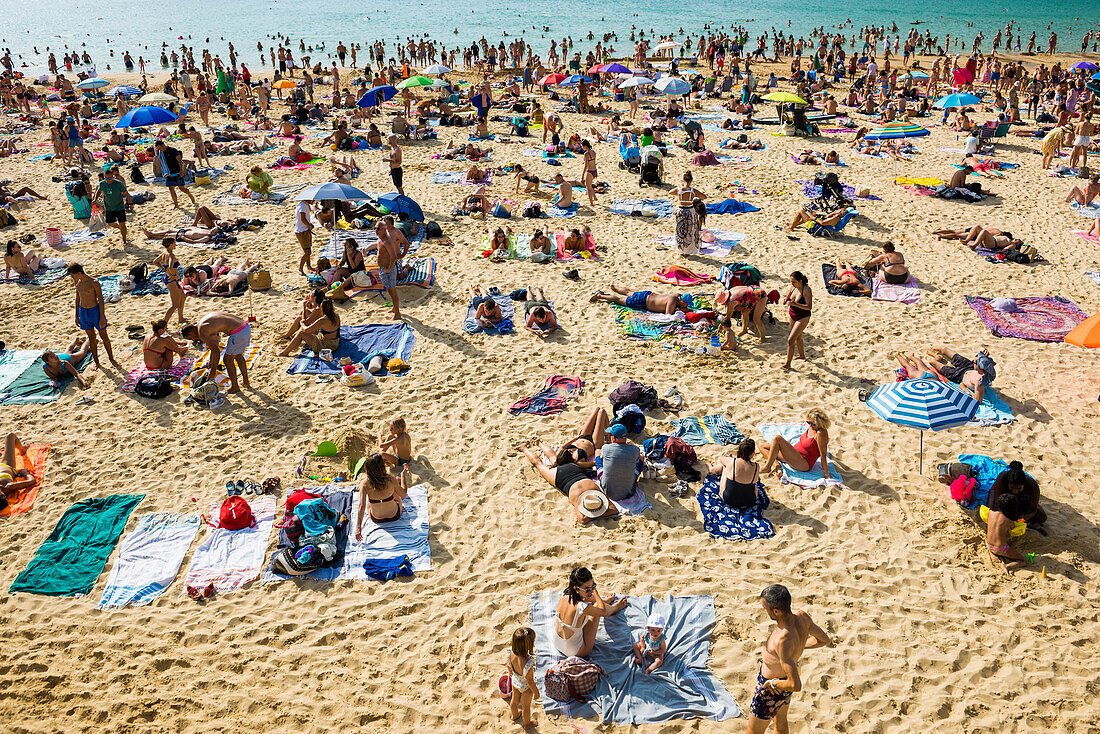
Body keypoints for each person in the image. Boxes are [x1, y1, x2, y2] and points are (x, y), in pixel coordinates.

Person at [747, 584, 833, 734]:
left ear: (776, 611)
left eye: (764, 607)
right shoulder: (803, 617)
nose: (763, 609)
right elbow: (825, 640)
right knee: (780, 723)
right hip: (783, 686)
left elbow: (795, 684)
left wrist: (772, 684)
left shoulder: (782, 639)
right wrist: (799, 646)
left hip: (772, 689)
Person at [550, 567, 627, 657]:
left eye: (592, 586)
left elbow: (587, 597)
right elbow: (603, 612)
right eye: (587, 589)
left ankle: (605, 601)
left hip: (557, 642)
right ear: (576, 588)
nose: (590, 591)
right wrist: (595, 591)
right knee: (598, 605)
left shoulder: (565, 594)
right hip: (576, 651)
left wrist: (591, 592)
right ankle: (615, 608)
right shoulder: (582, 607)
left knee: (589, 599)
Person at [181, 312, 251, 393]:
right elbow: (215, 343)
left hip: (239, 333)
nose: (193, 340)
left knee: (227, 361)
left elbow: (216, 352)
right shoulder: (203, 323)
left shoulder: (202, 332)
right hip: (245, 326)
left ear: (190, 333)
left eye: (190, 338)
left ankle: (235, 387)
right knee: (238, 355)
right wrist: (211, 359)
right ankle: (246, 382)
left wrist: (212, 373)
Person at [67, 263, 117, 368]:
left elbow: (101, 300)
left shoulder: (94, 283)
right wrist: (76, 315)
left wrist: (102, 317)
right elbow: (77, 298)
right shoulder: (77, 281)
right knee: (91, 338)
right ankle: (97, 362)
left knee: (104, 336)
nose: (72, 277)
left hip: (95, 311)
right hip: (83, 312)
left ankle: (111, 358)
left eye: (72, 275)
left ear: (79, 273)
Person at [759, 409, 831, 481]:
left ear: (820, 423)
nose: (811, 425)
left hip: (803, 462)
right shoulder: (812, 427)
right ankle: (778, 467)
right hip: (793, 456)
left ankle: (767, 467)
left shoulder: (821, 433)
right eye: (809, 422)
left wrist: (826, 474)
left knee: (777, 438)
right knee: (762, 446)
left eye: (813, 424)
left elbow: (823, 455)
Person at [354, 454, 409, 533]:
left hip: (376, 518)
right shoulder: (390, 478)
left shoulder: (364, 483)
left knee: (369, 500)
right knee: (394, 493)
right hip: (394, 515)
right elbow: (404, 494)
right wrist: (403, 475)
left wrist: (358, 528)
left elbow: (361, 506)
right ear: (382, 466)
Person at [989, 460, 1047, 531]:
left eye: (1019, 488)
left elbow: (1033, 509)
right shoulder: (1002, 479)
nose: (1015, 491)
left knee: (1042, 516)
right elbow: (997, 503)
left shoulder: (1032, 485)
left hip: (1021, 501)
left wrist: (1025, 518)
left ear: (1024, 484)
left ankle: (1028, 523)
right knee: (991, 510)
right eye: (1012, 488)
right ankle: (1027, 523)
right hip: (1005, 500)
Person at [925, 346, 994, 403]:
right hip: (969, 367)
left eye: (974, 362)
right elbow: (981, 350)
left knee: (933, 362)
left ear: (979, 366)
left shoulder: (979, 381)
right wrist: (983, 350)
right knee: (944, 349)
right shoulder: (982, 366)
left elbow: (978, 401)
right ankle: (940, 351)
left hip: (959, 376)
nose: (973, 361)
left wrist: (964, 389)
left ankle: (937, 358)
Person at [504, 627, 540, 730]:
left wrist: (511, 672)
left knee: (514, 701)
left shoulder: (511, 652)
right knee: (526, 707)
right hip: (526, 688)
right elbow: (530, 681)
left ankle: (514, 715)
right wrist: (536, 693)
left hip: (515, 681)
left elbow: (508, 664)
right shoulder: (528, 663)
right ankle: (527, 724)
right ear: (529, 646)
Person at [710, 439, 761, 509]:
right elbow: (755, 482)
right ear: (752, 453)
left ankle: (712, 469)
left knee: (725, 466)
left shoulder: (732, 461)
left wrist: (729, 458)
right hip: (749, 501)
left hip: (730, 500)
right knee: (752, 483)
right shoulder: (756, 466)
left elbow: (721, 459)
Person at [985, 493, 1030, 571]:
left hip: (988, 544)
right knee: (1024, 560)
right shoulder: (1009, 521)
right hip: (1000, 549)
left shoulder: (990, 513)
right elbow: (1014, 530)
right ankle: (1007, 566)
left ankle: (991, 553)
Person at [589, 285, 692, 315]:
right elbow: (668, 314)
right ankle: (600, 296)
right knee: (619, 300)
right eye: (686, 304)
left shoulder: (677, 295)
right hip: (643, 302)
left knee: (628, 292)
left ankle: (615, 288)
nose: (686, 306)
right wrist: (681, 311)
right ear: (682, 301)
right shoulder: (673, 301)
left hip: (647, 294)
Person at [781, 271, 812, 370]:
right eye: (791, 282)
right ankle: (802, 355)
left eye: (794, 282)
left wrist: (795, 304)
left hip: (803, 317)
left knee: (791, 340)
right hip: (792, 314)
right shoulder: (792, 287)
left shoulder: (806, 290)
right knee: (798, 336)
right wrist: (785, 300)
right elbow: (788, 296)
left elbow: (809, 306)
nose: (792, 284)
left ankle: (788, 364)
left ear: (800, 281)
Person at [0, 432, 38, 510]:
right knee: (10, 436)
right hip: (6, 465)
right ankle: (22, 450)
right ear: (3, 495)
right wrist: (25, 473)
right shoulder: (9, 487)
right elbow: (32, 481)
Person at [670, 171, 705, 255]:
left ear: (683, 179)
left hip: (681, 210)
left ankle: (681, 250)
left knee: (680, 230)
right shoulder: (693, 191)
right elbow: (704, 197)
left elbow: (670, 192)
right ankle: (688, 251)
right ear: (691, 180)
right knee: (690, 230)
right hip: (690, 210)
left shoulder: (679, 189)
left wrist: (678, 192)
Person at [91, 168, 131, 243]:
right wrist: (95, 199)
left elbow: (126, 193)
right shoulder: (102, 184)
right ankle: (120, 228)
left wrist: (130, 203)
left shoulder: (118, 183)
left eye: (109, 178)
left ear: (113, 176)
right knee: (110, 223)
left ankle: (124, 240)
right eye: (106, 178)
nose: (108, 180)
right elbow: (98, 191)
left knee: (122, 223)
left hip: (119, 207)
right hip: (109, 207)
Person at [153, 237, 186, 326]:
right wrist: (173, 275)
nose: (176, 244)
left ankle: (181, 318)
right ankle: (164, 324)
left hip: (169, 279)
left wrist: (163, 269)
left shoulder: (164, 253)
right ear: (171, 245)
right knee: (174, 305)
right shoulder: (171, 255)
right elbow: (171, 267)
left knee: (183, 296)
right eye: (175, 243)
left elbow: (155, 262)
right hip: (172, 280)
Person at [154, 139, 196, 207]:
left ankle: (190, 195)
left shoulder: (173, 150)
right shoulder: (161, 153)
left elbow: (180, 161)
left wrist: (182, 171)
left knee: (182, 188)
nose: (160, 150)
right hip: (169, 173)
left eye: (160, 148)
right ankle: (176, 204)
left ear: (163, 145)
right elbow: (161, 162)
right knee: (171, 189)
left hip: (177, 172)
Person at [294, 199, 318, 275]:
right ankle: (300, 269)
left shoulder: (305, 205)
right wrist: (309, 225)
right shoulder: (303, 205)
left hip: (305, 230)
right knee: (307, 252)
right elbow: (303, 219)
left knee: (308, 250)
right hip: (302, 231)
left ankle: (309, 266)